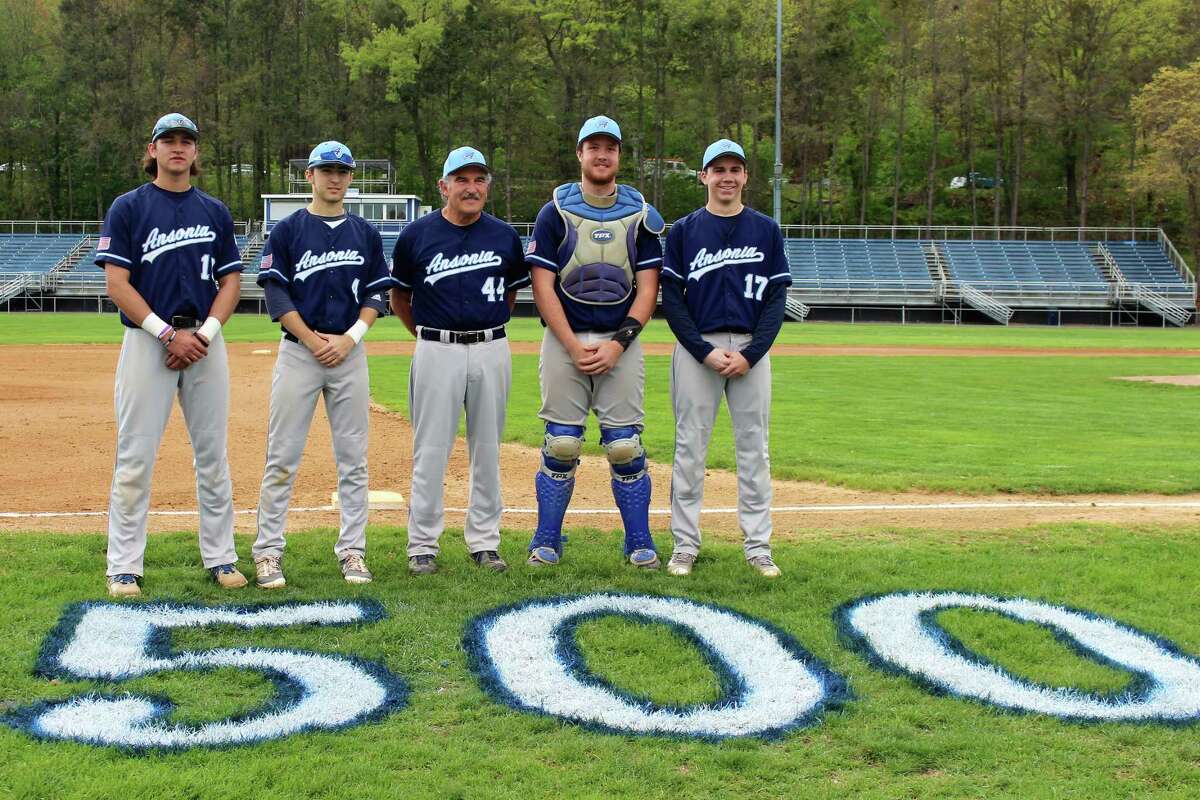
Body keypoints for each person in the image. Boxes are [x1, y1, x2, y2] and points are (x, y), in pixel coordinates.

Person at [97, 112, 246, 597]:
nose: (178, 148)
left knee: (213, 456)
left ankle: (222, 557)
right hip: (147, 339)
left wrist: (205, 333)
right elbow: (116, 283)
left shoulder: (214, 211)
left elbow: (231, 281)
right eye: (169, 141)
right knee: (136, 455)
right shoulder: (128, 207)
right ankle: (124, 565)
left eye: (187, 141)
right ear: (153, 150)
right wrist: (166, 334)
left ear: (196, 153)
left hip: (205, 340)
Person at [251, 141, 398, 589]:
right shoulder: (288, 230)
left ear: (351, 178)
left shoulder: (365, 233)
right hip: (300, 352)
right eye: (326, 170)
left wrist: (351, 337)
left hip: (349, 354)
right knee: (282, 456)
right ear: (310, 176)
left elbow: (377, 294)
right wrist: (314, 340)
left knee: (354, 461)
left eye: (342, 171)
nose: (334, 178)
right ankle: (268, 553)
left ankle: (353, 551)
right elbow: (275, 294)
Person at [524, 115, 665, 568]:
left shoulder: (641, 214)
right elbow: (542, 285)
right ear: (580, 153)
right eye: (593, 146)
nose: (601, 154)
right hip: (564, 340)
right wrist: (569, 342)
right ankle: (546, 539)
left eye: (610, 147)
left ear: (619, 155)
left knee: (625, 445)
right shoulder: (555, 212)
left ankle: (639, 541)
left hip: (618, 340)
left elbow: (648, 287)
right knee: (562, 443)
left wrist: (619, 343)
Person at [390, 147, 529, 575]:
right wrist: (431, 335)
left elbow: (509, 295)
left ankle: (485, 542)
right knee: (429, 450)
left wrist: (482, 327)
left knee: (487, 450)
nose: (471, 187)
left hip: (491, 346)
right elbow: (400, 298)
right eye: (462, 179)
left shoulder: (504, 235)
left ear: (487, 185)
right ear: (444, 186)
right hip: (437, 347)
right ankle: (422, 546)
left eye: (479, 179)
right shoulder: (417, 234)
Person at [659, 139, 791, 578]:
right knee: (689, 449)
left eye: (735, 169)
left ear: (746, 177)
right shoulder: (683, 231)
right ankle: (684, 545)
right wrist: (704, 351)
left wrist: (752, 354)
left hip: (752, 347)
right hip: (699, 348)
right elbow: (672, 301)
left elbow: (776, 300)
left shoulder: (766, 230)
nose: (727, 177)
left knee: (755, 450)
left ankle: (758, 547)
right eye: (718, 170)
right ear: (704, 177)